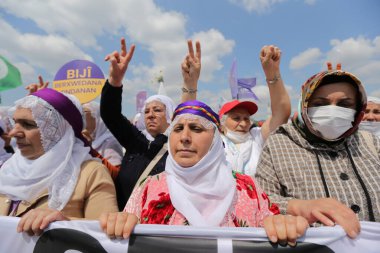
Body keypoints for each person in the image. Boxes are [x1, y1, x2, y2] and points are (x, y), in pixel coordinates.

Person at [99, 100, 309, 246]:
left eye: (197, 129)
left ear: (216, 140)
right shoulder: (149, 187)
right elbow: (126, 226)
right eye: (178, 129)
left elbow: (272, 223)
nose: (185, 137)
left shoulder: (246, 188)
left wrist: (282, 224)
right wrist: (121, 223)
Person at [255, 67, 380, 239]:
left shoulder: (370, 142)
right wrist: (297, 206)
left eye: (344, 104)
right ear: (305, 104)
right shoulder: (280, 142)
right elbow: (260, 200)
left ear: (358, 109)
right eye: (320, 104)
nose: (332, 112)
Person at [0, 88, 118, 235]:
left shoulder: (90, 173)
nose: (14, 133)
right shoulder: (7, 169)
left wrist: (66, 223)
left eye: (28, 124)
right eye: (15, 123)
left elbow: (107, 234)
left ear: (58, 130)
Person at [100, 38, 201, 210]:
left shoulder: (177, 144)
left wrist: (190, 83)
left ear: (170, 115)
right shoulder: (134, 141)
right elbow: (110, 114)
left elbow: (186, 115)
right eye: (146, 111)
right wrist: (114, 82)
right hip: (123, 226)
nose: (151, 115)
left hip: (158, 228)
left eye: (157, 110)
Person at [219, 45, 291, 177]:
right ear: (221, 123)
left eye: (246, 118)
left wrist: (272, 73)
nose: (243, 123)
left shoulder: (256, 137)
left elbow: (281, 113)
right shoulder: (213, 142)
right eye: (236, 118)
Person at [82, 101, 124, 179]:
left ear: (97, 117)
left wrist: (90, 150)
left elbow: (116, 174)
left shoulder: (110, 143)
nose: (81, 117)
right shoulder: (83, 141)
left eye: (84, 113)